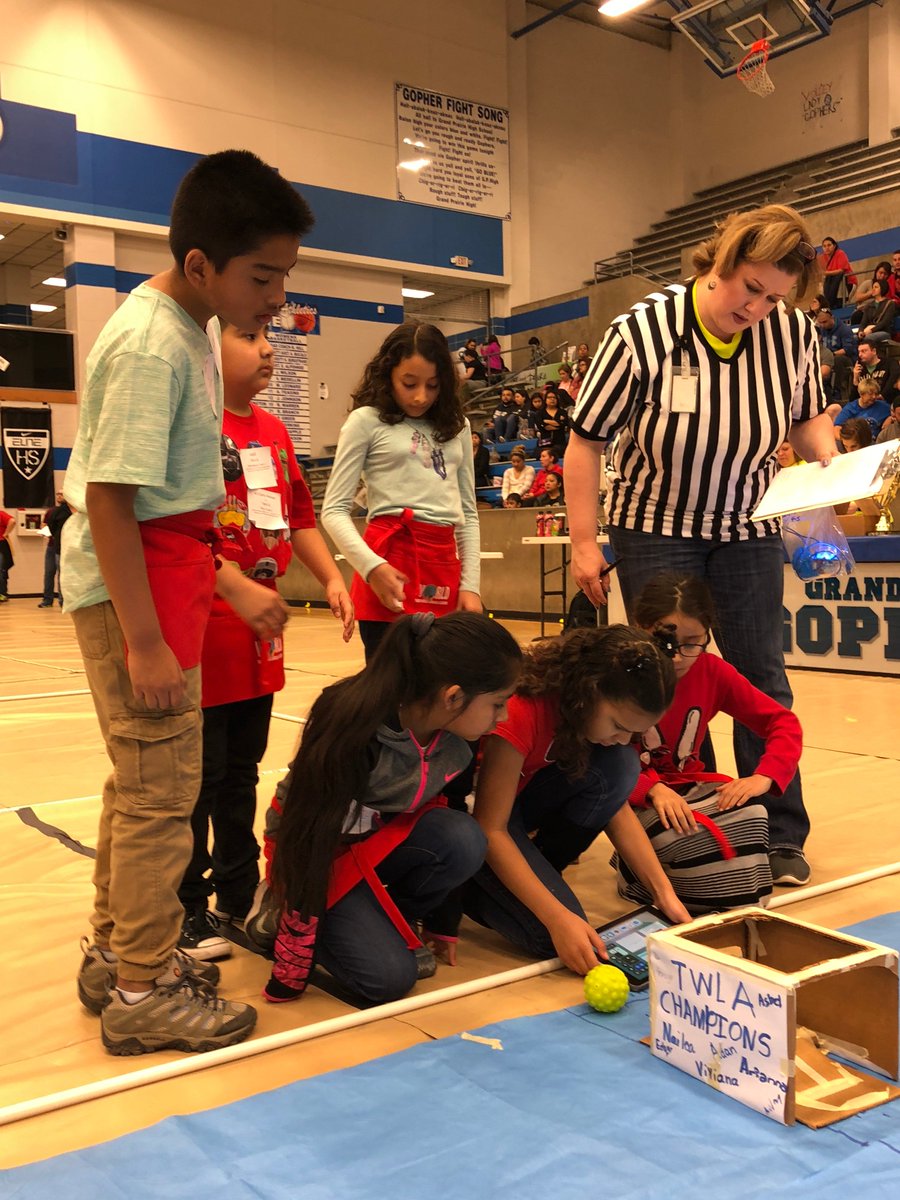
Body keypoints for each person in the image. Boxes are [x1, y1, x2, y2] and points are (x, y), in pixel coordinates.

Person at [67, 149, 313, 1056]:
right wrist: (145, 643)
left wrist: (233, 584)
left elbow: (173, 502)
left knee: (142, 786)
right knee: (163, 799)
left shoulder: (190, 329)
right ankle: (140, 989)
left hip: (171, 576)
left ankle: (117, 954)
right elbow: (108, 499)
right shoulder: (149, 343)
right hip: (137, 596)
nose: (277, 297)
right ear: (202, 263)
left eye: (285, 275)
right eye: (263, 275)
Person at [565, 204, 836, 889]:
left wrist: (833, 464)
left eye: (776, 297)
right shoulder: (642, 331)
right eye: (751, 288)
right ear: (721, 260)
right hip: (655, 521)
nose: (760, 307)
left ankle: (775, 830)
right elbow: (586, 442)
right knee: (665, 677)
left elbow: (805, 424)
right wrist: (584, 542)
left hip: (748, 523)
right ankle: (676, 817)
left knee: (759, 673)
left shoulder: (793, 335)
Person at [177, 323, 354, 961]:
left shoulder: (275, 434)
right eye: (250, 335)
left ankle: (238, 890)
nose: (269, 349)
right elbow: (178, 535)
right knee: (198, 777)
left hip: (261, 640)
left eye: (267, 339)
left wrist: (333, 575)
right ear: (209, 346)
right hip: (201, 635)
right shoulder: (193, 424)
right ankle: (186, 907)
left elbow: (299, 517)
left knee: (242, 772)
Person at [261, 611, 522, 1004]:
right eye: (498, 704)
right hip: (315, 856)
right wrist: (293, 960)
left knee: (464, 836)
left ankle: (378, 917)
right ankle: (272, 910)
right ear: (452, 696)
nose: (502, 717)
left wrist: (443, 922)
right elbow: (307, 841)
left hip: (380, 841)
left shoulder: (459, 735)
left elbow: (447, 811)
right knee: (389, 981)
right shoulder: (352, 721)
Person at [463, 626, 690, 974]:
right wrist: (556, 919)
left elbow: (615, 805)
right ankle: (467, 887)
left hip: (522, 810)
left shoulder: (594, 717)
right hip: (481, 822)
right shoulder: (523, 708)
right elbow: (490, 827)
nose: (623, 737)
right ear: (588, 692)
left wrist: (663, 893)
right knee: (550, 937)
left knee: (621, 764)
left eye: (634, 731)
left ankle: (533, 874)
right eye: (617, 725)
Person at [619, 573, 803, 913]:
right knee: (677, 835)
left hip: (685, 783)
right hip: (624, 792)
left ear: (708, 636)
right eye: (666, 641)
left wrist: (765, 775)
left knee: (751, 816)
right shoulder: (618, 669)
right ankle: (635, 873)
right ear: (640, 627)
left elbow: (782, 722)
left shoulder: (712, 671)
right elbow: (599, 757)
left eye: (693, 643)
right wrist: (651, 789)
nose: (677, 657)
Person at [321, 322, 482, 663]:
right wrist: (371, 567)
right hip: (387, 561)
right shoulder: (366, 421)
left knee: (440, 689)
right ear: (387, 374)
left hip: (442, 562)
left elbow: (468, 513)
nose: (421, 396)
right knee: (388, 692)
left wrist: (471, 585)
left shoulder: (459, 427)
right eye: (409, 384)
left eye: (433, 385)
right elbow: (333, 511)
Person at [815, 307, 857, 402]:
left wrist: (831, 354)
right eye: (820, 322)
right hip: (828, 356)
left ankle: (837, 390)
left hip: (846, 359)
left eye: (824, 322)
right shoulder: (821, 330)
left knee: (838, 360)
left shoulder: (844, 329)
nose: (822, 325)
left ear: (832, 318)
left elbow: (848, 349)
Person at [38, 490, 71, 607]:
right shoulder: (52, 512)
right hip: (52, 546)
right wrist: (45, 531)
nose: (59, 496)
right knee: (49, 573)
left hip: (64, 547)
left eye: (61, 494)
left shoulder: (71, 512)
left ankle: (63, 601)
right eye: (57, 494)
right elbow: (44, 527)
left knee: (62, 574)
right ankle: (47, 600)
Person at [834, 377, 892, 443]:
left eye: (876, 394)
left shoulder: (883, 406)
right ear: (861, 394)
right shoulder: (850, 409)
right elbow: (836, 429)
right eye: (870, 394)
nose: (874, 397)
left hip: (876, 443)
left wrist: (891, 418)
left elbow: (896, 411)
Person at [817, 236, 855, 308]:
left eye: (829, 245)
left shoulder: (840, 253)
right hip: (831, 284)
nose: (826, 248)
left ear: (834, 246)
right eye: (824, 246)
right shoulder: (822, 257)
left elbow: (841, 270)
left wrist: (825, 273)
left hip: (847, 282)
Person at [536, 388, 569, 455]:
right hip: (545, 443)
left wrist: (546, 421)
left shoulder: (562, 412)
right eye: (549, 397)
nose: (552, 399)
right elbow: (542, 426)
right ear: (545, 400)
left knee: (556, 450)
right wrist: (557, 424)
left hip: (560, 443)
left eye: (554, 397)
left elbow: (563, 424)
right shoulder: (540, 413)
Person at [0, 508, 15, 602]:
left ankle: (2, 593)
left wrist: (5, 534)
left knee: (1, 570)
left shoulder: (1, 514)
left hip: (1, 544)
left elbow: (12, 521)